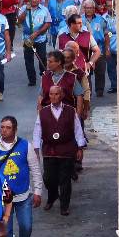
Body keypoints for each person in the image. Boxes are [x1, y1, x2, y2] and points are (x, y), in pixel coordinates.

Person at [0, 116, 42, 237]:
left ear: (15, 129)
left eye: (8, 127)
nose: (4, 130)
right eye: (2, 127)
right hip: (3, 200)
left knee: (26, 226)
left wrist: (38, 191)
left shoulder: (26, 146)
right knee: (6, 231)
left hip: (23, 196)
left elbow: (35, 170)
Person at [34, 85, 86, 215]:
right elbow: (37, 130)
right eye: (51, 94)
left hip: (66, 150)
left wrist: (80, 147)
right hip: (49, 150)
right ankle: (52, 196)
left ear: (61, 95)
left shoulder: (70, 111)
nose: (53, 97)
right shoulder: (43, 112)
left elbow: (78, 129)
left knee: (65, 180)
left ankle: (64, 205)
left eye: (56, 94)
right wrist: (36, 148)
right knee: (48, 178)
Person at [18, 0, 52, 87]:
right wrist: (26, 11)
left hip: (40, 38)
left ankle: (44, 75)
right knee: (28, 60)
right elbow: (19, 21)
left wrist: (38, 32)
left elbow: (48, 23)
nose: (34, 0)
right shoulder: (24, 8)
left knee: (42, 57)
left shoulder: (44, 9)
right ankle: (32, 80)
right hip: (27, 39)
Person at [81, 0, 110, 97]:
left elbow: (107, 35)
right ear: (84, 8)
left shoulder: (101, 19)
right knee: (86, 72)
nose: (89, 10)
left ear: (94, 9)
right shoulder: (80, 20)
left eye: (91, 8)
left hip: (99, 49)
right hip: (85, 50)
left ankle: (99, 90)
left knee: (100, 71)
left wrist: (107, 49)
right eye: (87, 8)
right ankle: (88, 91)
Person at [105, 9, 117, 93]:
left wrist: (111, 32)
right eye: (108, 5)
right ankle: (114, 86)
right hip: (111, 46)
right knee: (111, 68)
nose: (111, 7)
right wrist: (111, 33)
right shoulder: (104, 18)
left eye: (112, 5)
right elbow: (107, 32)